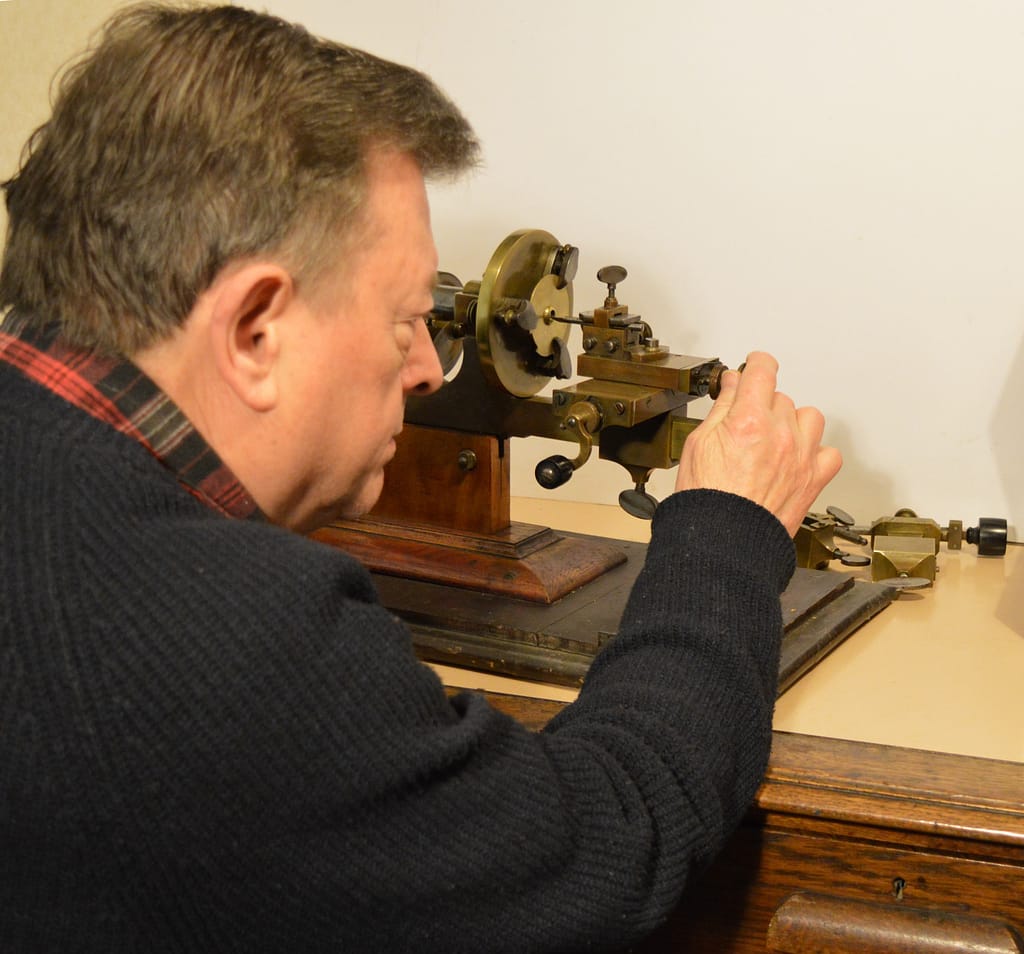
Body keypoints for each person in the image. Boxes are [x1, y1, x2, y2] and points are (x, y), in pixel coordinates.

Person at [0, 4, 841, 952]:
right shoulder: (234, 641)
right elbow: (606, 841)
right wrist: (727, 527)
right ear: (255, 330)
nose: (427, 374)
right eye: (405, 322)